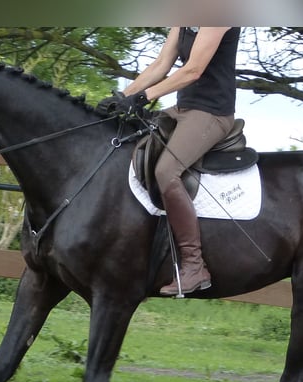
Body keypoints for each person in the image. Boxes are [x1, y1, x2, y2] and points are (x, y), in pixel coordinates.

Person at [103, 27, 241, 296]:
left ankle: (194, 265)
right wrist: (123, 97)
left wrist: (145, 97)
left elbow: (193, 70)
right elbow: (161, 64)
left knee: (166, 171)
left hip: (211, 114)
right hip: (181, 110)